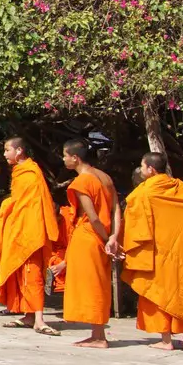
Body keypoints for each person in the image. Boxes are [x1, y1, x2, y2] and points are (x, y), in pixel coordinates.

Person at [117, 152, 183, 352]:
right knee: (182, 292)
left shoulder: (143, 193)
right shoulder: (178, 187)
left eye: (142, 166)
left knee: (157, 292)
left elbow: (134, 225)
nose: (140, 170)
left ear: (151, 169)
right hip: (181, 252)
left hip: (156, 254)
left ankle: (166, 340)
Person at [0, 136, 63, 336]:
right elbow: (19, 201)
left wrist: (8, 205)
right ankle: (29, 315)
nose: (5, 154)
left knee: (32, 275)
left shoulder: (31, 173)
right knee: (22, 274)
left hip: (30, 231)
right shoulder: (20, 172)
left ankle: (39, 318)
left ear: (19, 151)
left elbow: (32, 204)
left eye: (7, 150)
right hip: (21, 228)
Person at [57, 140, 118, 349]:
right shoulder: (105, 177)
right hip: (102, 236)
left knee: (91, 285)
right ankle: (97, 333)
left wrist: (103, 237)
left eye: (65, 155)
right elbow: (116, 209)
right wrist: (114, 237)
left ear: (76, 157)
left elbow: (93, 217)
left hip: (89, 236)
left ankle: (99, 337)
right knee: (99, 283)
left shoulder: (82, 182)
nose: (63, 159)